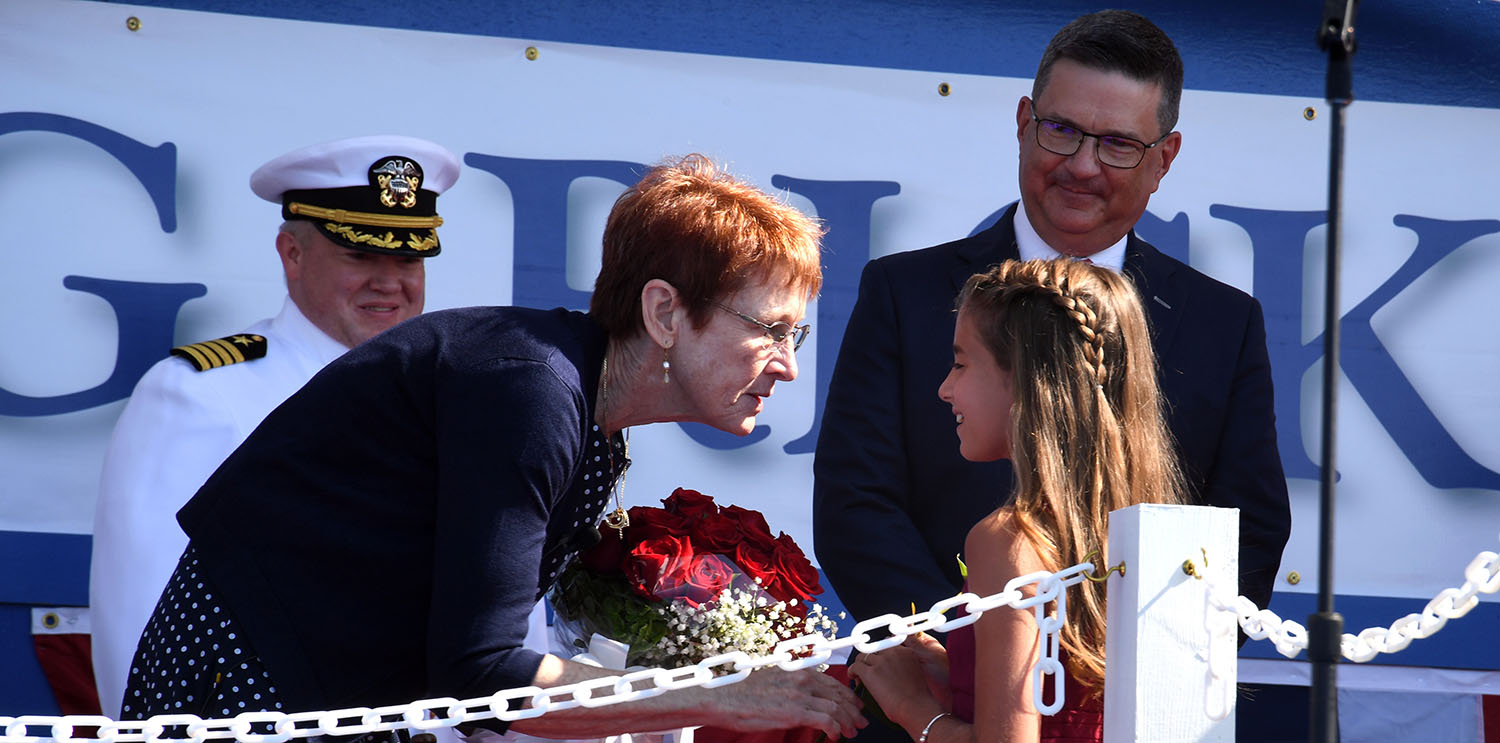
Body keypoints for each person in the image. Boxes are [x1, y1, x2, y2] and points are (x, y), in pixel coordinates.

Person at [119, 154, 866, 740]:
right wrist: (719, 695)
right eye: (769, 328)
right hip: (245, 694)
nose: (789, 362)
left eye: (794, 334)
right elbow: (481, 674)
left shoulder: (581, 405)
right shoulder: (532, 387)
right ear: (665, 311)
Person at [814, 9, 1290, 642]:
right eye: (1061, 130)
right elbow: (856, 508)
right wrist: (975, 669)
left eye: (1118, 144)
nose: (1084, 166)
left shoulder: (1223, 325)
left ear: (1164, 159)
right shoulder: (903, 292)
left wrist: (1120, 682)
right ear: (1022, 125)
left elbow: (1247, 531)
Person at [90, 135, 460, 719]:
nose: (389, 282)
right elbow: (142, 625)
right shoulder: (200, 393)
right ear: (292, 253)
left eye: (408, 258)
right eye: (361, 255)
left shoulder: (457, 399)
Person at [849, 259, 1188, 743]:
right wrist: (961, 672)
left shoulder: (1009, 541)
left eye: (961, 362)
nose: (945, 389)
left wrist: (912, 708)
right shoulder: (1154, 539)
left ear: (1027, 381)